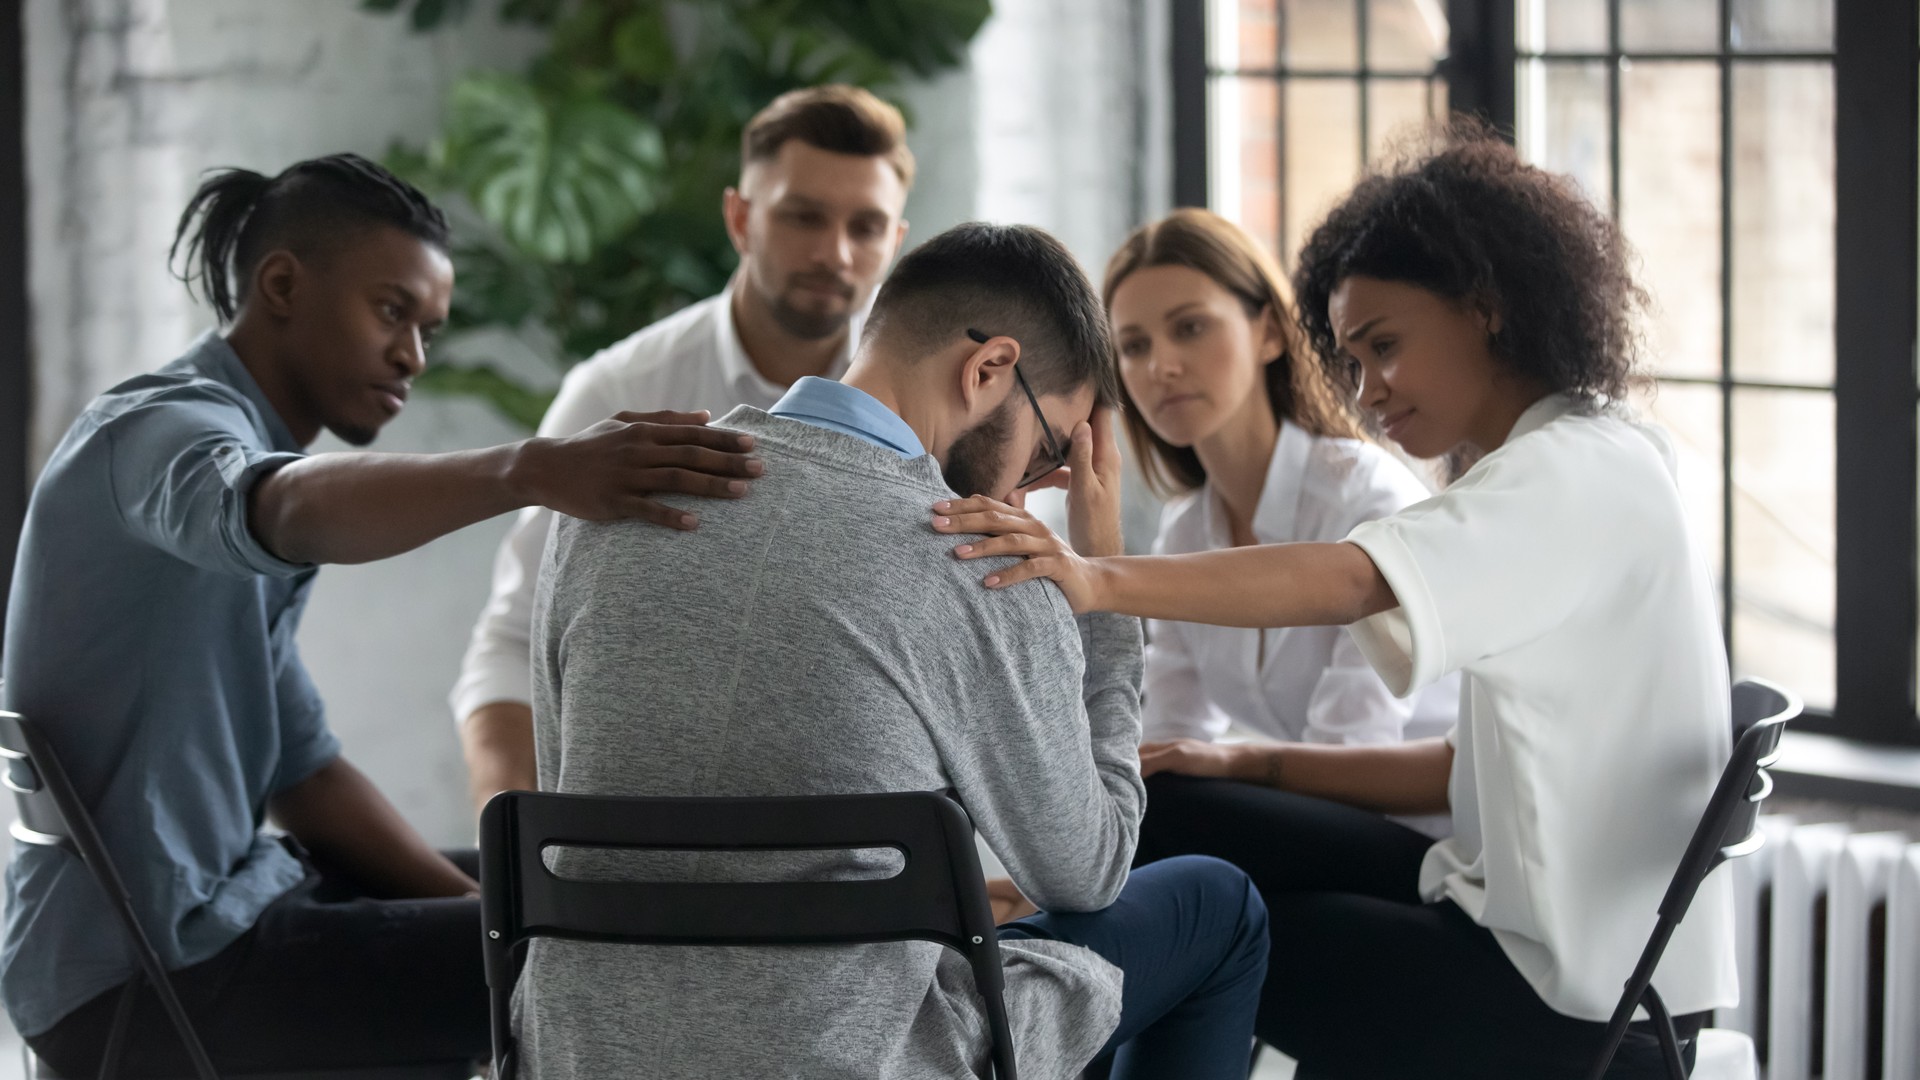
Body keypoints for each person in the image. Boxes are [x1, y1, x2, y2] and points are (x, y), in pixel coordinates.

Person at [935, 127, 1734, 1078]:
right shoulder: (1583, 457)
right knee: (1181, 830)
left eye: (1385, 347)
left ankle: (964, 1020)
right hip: (1515, 925)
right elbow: (1460, 770)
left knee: (1201, 925)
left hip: (1570, 1004)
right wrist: (1239, 760)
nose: (1368, 391)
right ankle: (989, 990)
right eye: (1352, 361)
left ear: (1486, 307)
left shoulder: (1564, 474)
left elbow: (1352, 578)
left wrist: (1096, 575)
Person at [1, 154, 759, 1075]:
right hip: (144, 975)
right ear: (281, 284)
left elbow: (307, 779)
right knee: (624, 956)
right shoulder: (163, 430)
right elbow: (276, 507)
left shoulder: (240, 463)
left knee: (584, 890)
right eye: (392, 312)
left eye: (429, 329)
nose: (413, 357)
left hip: (234, 911)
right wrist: (530, 469)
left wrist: (508, 925)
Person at [522, 223, 1269, 1080]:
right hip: (853, 1059)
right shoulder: (977, 562)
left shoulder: (613, 499)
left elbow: (576, 792)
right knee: (1218, 904)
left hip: (579, 1052)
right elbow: (1089, 871)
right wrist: (1102, 592)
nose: (1031, 490)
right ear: (989, 369)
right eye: (1053, 447)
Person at [452, 84, 914, 812]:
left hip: (863, 830)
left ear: (897, 240)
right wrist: (515, 859)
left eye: (867, 226)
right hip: (641, 825)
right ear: (740, 218)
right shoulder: (618, 392)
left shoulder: (927, 406)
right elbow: (513, 641)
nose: (836, 252)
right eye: (803, 217)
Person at [1102, 207, 1456, 840]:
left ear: (1268, 331)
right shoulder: (1185, 531)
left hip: (1426, 843)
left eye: (1189, 328)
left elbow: (1353, 743)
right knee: (1152, 805)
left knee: (1176, 820)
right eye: (1134, 346)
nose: (1161, 366)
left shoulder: (1365, 502)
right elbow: (1167, 737)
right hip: (1319, 835)